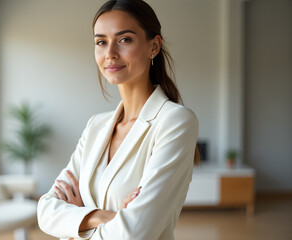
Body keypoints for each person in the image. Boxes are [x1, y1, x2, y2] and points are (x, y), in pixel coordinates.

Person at [37, 0, 199, 239]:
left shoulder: (175, 122)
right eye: (101, 42)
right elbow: (45, 212)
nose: (110, 54)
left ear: (153, 46)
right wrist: (105, 216)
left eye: (124, 40)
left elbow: (133, 232)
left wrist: (78, 217)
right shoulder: (96, 126)